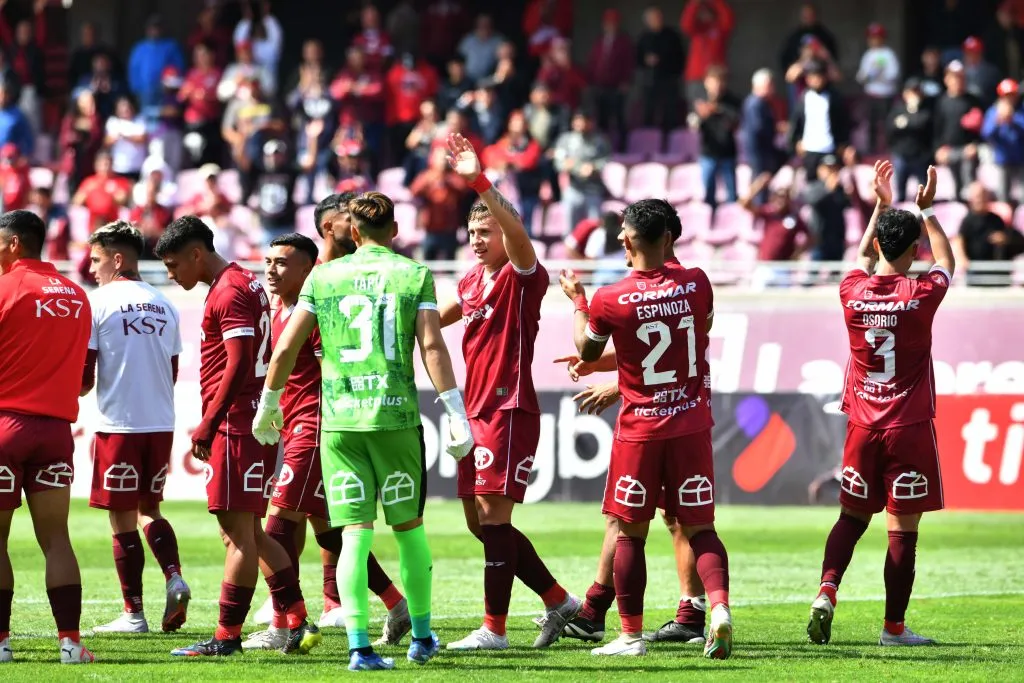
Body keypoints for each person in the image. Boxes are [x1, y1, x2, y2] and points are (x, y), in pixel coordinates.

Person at [252, 191, 473, 670]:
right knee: (410, 531)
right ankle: (420, 637)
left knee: (354, 534)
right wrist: (455, 410)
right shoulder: (413, 274)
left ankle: (360, 648)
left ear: (352, 233)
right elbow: (432, 345)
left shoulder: (324, 276)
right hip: (395, 420)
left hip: (339, 424)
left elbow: (287, 346)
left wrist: (268, 403)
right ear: (394, 232)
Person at [559, 198, 732, 658]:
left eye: (624, 232)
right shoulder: (697, 283)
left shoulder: (610, 298)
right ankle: (717, 610)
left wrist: (576, 299)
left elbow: (588, 349)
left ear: (634, 239)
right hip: (692, 421)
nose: (619, 238)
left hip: (642, 429)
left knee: (631, 530)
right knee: (699, 527)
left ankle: (629, 634)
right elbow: (688, 337)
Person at [437, 133, 581, 651]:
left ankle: (493, 629)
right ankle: (561, 602)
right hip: (471, 411)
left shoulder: (524, 275)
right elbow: (434, 321)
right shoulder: (473, 280)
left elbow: (519, 236)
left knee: (495, 518)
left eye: (486, 230)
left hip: (509, 406)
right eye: (472, 230)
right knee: (480, 523)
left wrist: (479, 179)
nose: (477, 239)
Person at [154, 216, 321, 657]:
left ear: (196, 253)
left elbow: (240, 361)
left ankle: (227, 638)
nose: (172, 275)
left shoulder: (228, 290)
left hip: (237, 423)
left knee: (239, 535)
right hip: (251, 421)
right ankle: (300, 621)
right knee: (251, 532)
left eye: (174, 265)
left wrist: (210, 420)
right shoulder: (244, 284)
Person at [807, 160, 955, 648]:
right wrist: (926, 209)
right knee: (902, 531)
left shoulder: (851, 292)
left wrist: (879, 205)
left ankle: (827, 589)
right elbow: (949, 263)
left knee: (851, 517)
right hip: (909, 426)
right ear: (915, 251)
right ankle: (893, 629)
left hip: (862, 426)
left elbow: (860, 259)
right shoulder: (922, 293)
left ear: (875, 247)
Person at [79, 222, 190, 635]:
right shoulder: (166, 303)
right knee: (150, 509)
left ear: (118, 258)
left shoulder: (99, 302)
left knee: (122, 520)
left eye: (96, 259)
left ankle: (134, 614)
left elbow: (84, 378)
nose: (92, 268)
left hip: (119, 424)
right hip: (161, 422)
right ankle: (174, 575)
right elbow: (173, 370)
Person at [0, 210, 95, 664]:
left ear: (15, 243)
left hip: (4, 426)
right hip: (56, 431)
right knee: (57, 538)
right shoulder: (78, 296)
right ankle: (71, 644)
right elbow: (82, 376)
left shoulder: (4, 289)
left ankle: (1, 645)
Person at [789, 60, 851, 178]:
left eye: (819, 76)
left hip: (829, 147)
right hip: (809, 149)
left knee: (831, 184)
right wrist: (796, 142)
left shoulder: (834, 98)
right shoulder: (803, 98)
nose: (816, 80)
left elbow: (843, 122)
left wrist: (843, 143)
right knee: (812, 188)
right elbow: (796, 122)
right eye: (812, 76)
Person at [954, 181, 1024, 285]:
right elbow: (959, 240)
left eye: (983, 196)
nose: (980, 199)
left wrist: (1004, 238)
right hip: (975, 270)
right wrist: (963, 258)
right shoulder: (967, 220)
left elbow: (1012, 239)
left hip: (996, 270)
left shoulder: (996, 219)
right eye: (977, 196)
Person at [553, 110, 611, 236]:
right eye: (578, 120)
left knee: (595, 228)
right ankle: (570, 254)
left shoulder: (600, 141)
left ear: (591, 123)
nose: (581, 123)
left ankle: (592, 254)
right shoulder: (565, 140)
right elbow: (558, 162)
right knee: (570, 230)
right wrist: (574, 167)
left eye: (585, 120)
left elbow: (606, 161)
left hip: (593, 189)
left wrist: (593, 167)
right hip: (573, 188)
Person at [692, 65, 741, 208]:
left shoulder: (732, 101)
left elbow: (736, 121)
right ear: (706, 82)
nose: (717, 86)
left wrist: (718, 109)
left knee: (731, 194)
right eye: (713, 82)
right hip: (708, 152)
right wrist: (700, 117)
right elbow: (694, 124)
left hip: (727, 153)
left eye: (720, 82)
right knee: (708, 192)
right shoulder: (700, 100)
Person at [934, 60, 983, 200]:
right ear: (946, 79)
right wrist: (938, 149)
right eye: (954, 77)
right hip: (949, 151)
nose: (957, 81)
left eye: (961, 77)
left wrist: (975, 144)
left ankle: (969, 205)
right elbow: (937, 129)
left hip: (967, 150)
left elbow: (980, 129)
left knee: (968, 187)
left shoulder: (973, 100)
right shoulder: (941, 102)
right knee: (952, 189)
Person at [584, 9, 633, 148]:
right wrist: (590, 80)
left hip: (617, 86)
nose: (610, 25)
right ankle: (602, 147)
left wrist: (625, 82)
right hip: (600, 86)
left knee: (619, 118)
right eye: (607, 23)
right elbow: (593, 62)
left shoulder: (623, 41)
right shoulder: (599, 41)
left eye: (613, 23)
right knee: (601, 119)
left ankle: (623, 147)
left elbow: (628, 63)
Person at [410, 146, 468, 260]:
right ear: (433, 159)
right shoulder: (427, 176)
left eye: (444, 159)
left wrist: (446, 180)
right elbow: (414, 191)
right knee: (428, 263)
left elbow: (463, 189)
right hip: (430, 229)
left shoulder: (454, 176)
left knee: (449, 265)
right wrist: (433, 180)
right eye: (439, 158)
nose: (442, 161)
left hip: (450, 229)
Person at [636, 6, 684, 132]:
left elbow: (680, 57)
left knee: (670, 112)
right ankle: (649, 141)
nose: (655, 20)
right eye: (652, 18)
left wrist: (662, 60)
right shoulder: (644, 37)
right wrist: (646, 60)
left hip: (669, 79)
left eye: (657, 17)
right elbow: (637, 58)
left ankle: (671, 140)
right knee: (649, 111)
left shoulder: (672, 36)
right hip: (650, 80)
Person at [680, 0, 734, 108]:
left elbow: (728, 19)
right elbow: (685, 24)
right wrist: (695, 3)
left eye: (707, 11)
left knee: (717, 109)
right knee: (696, 112)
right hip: (696, 77)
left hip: (716, 78)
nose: (704, 14)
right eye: (701, 11)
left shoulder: (720, 28)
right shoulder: (696, 29)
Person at [887, 79, 934, 203]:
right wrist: (908, 120)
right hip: (901, 155)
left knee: (924, 193)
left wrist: (907, 120)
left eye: (917, 92)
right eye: (911, 92)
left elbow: (922, 124)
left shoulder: (926, 109)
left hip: (920, 156)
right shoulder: (898, 109)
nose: (914, 95)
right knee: (900, 194)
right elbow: (891, 128)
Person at [856, 23, 900, 154]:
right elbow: (860, 77)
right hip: (871, 94)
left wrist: (881, 73)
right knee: (871, 125)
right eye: (871, 37)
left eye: (876, 37)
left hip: (886, 94)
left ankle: (890, 149)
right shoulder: (868, 55)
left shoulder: (888, 54)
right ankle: (871, 150)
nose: (873, 40)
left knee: (888, 124)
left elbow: (894, 74)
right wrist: (870, 74)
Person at [742, 69, 784, 204]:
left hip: (763, 152)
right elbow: (758, 128)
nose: (773, 88)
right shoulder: (755, 103)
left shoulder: (763, 103)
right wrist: (776, 128)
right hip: (759, 154)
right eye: (770, 84)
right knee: (760, 186)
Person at [981, 79, 1024, 203]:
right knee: (1003, 198)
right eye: (1006, 95)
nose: (1010, 98)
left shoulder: (1021, 110)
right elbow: (986, 134)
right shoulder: (994, 111)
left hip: (1021, 160)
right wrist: (997, 121)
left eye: (1012, 95)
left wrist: (1013, 120)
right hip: (1002, 161)